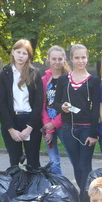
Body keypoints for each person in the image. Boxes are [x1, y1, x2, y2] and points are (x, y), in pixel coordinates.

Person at [53, 43, 101, 195]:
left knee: (85, 165)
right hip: (68, 128)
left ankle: (86, 198)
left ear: (87, 58)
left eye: (83, 57)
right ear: (71, 59)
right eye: (77, 58)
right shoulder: (63, 80)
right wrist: (62, 107)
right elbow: (55, 103)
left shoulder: (93, 80)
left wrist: (93, 133)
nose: (80, 61)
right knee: (76, 165)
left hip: (86, 128)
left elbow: (96, 108)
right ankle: (83, 195)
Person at [0, 39, 44, 168]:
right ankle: (17, 182)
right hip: (12, 121)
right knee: (15, 162)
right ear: (13, 52)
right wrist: (10, 129)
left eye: (24, 53)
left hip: (30, 121)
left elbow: (39, 102)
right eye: (18, 52)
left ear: (29, 56)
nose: (21, 56)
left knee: (33, 162)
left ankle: (33, 181)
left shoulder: (34, 74)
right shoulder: (5, 73)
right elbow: (2, 103)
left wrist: (30, 127)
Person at [41, 45, 70, 175]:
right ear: (48, 59)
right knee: (54, 160)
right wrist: (49, 128)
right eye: (54, 59)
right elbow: (42, 104)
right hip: (47, 124)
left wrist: (54, 124)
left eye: (60, 59)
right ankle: (58, 184)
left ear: (64, 59)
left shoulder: (69, 79)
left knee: (73, 156)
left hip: (64, 123)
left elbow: (69, 105)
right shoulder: (44, 80)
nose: (57, 62)